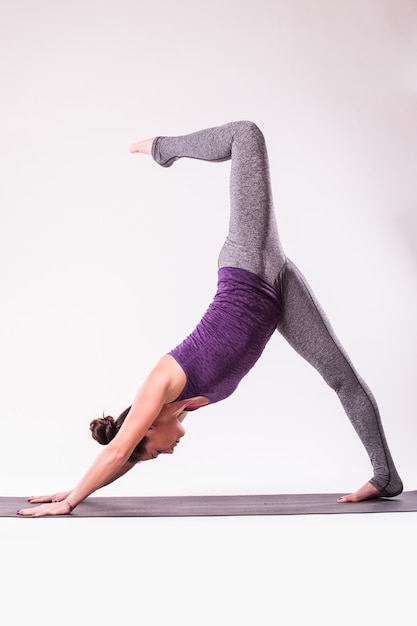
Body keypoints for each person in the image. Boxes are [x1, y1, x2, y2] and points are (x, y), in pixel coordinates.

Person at [17, 121, 403, 517]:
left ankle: (163, 148)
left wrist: (69, 503)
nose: (168, 452)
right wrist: (77, 488)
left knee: (246, 135)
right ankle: (385, 475)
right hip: (277, 289)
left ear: (146, 428)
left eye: (155, 451)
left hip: (246, 268)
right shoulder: (180, 408)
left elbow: (119, 451)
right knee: (342, 379)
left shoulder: (158, 386)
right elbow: (124, 457)